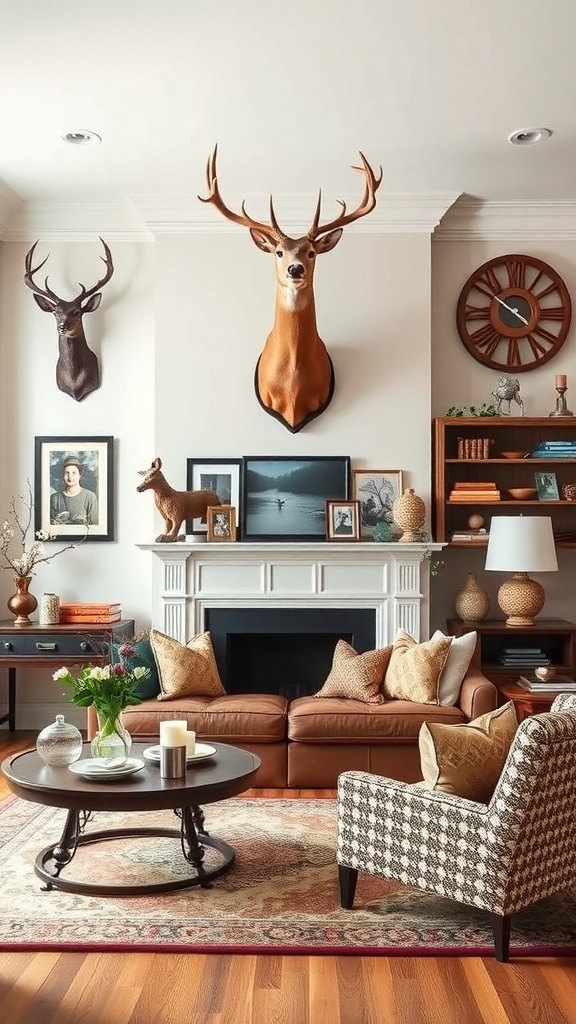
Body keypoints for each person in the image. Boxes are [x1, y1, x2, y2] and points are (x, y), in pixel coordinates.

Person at [50, 456, 99, 526]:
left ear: (80, 475)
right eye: (67, 473)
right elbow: (50, 525)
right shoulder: (55, 498)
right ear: (63, 475)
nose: (70, 477)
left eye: (74, 473)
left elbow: (95, 526)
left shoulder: (89, 496)